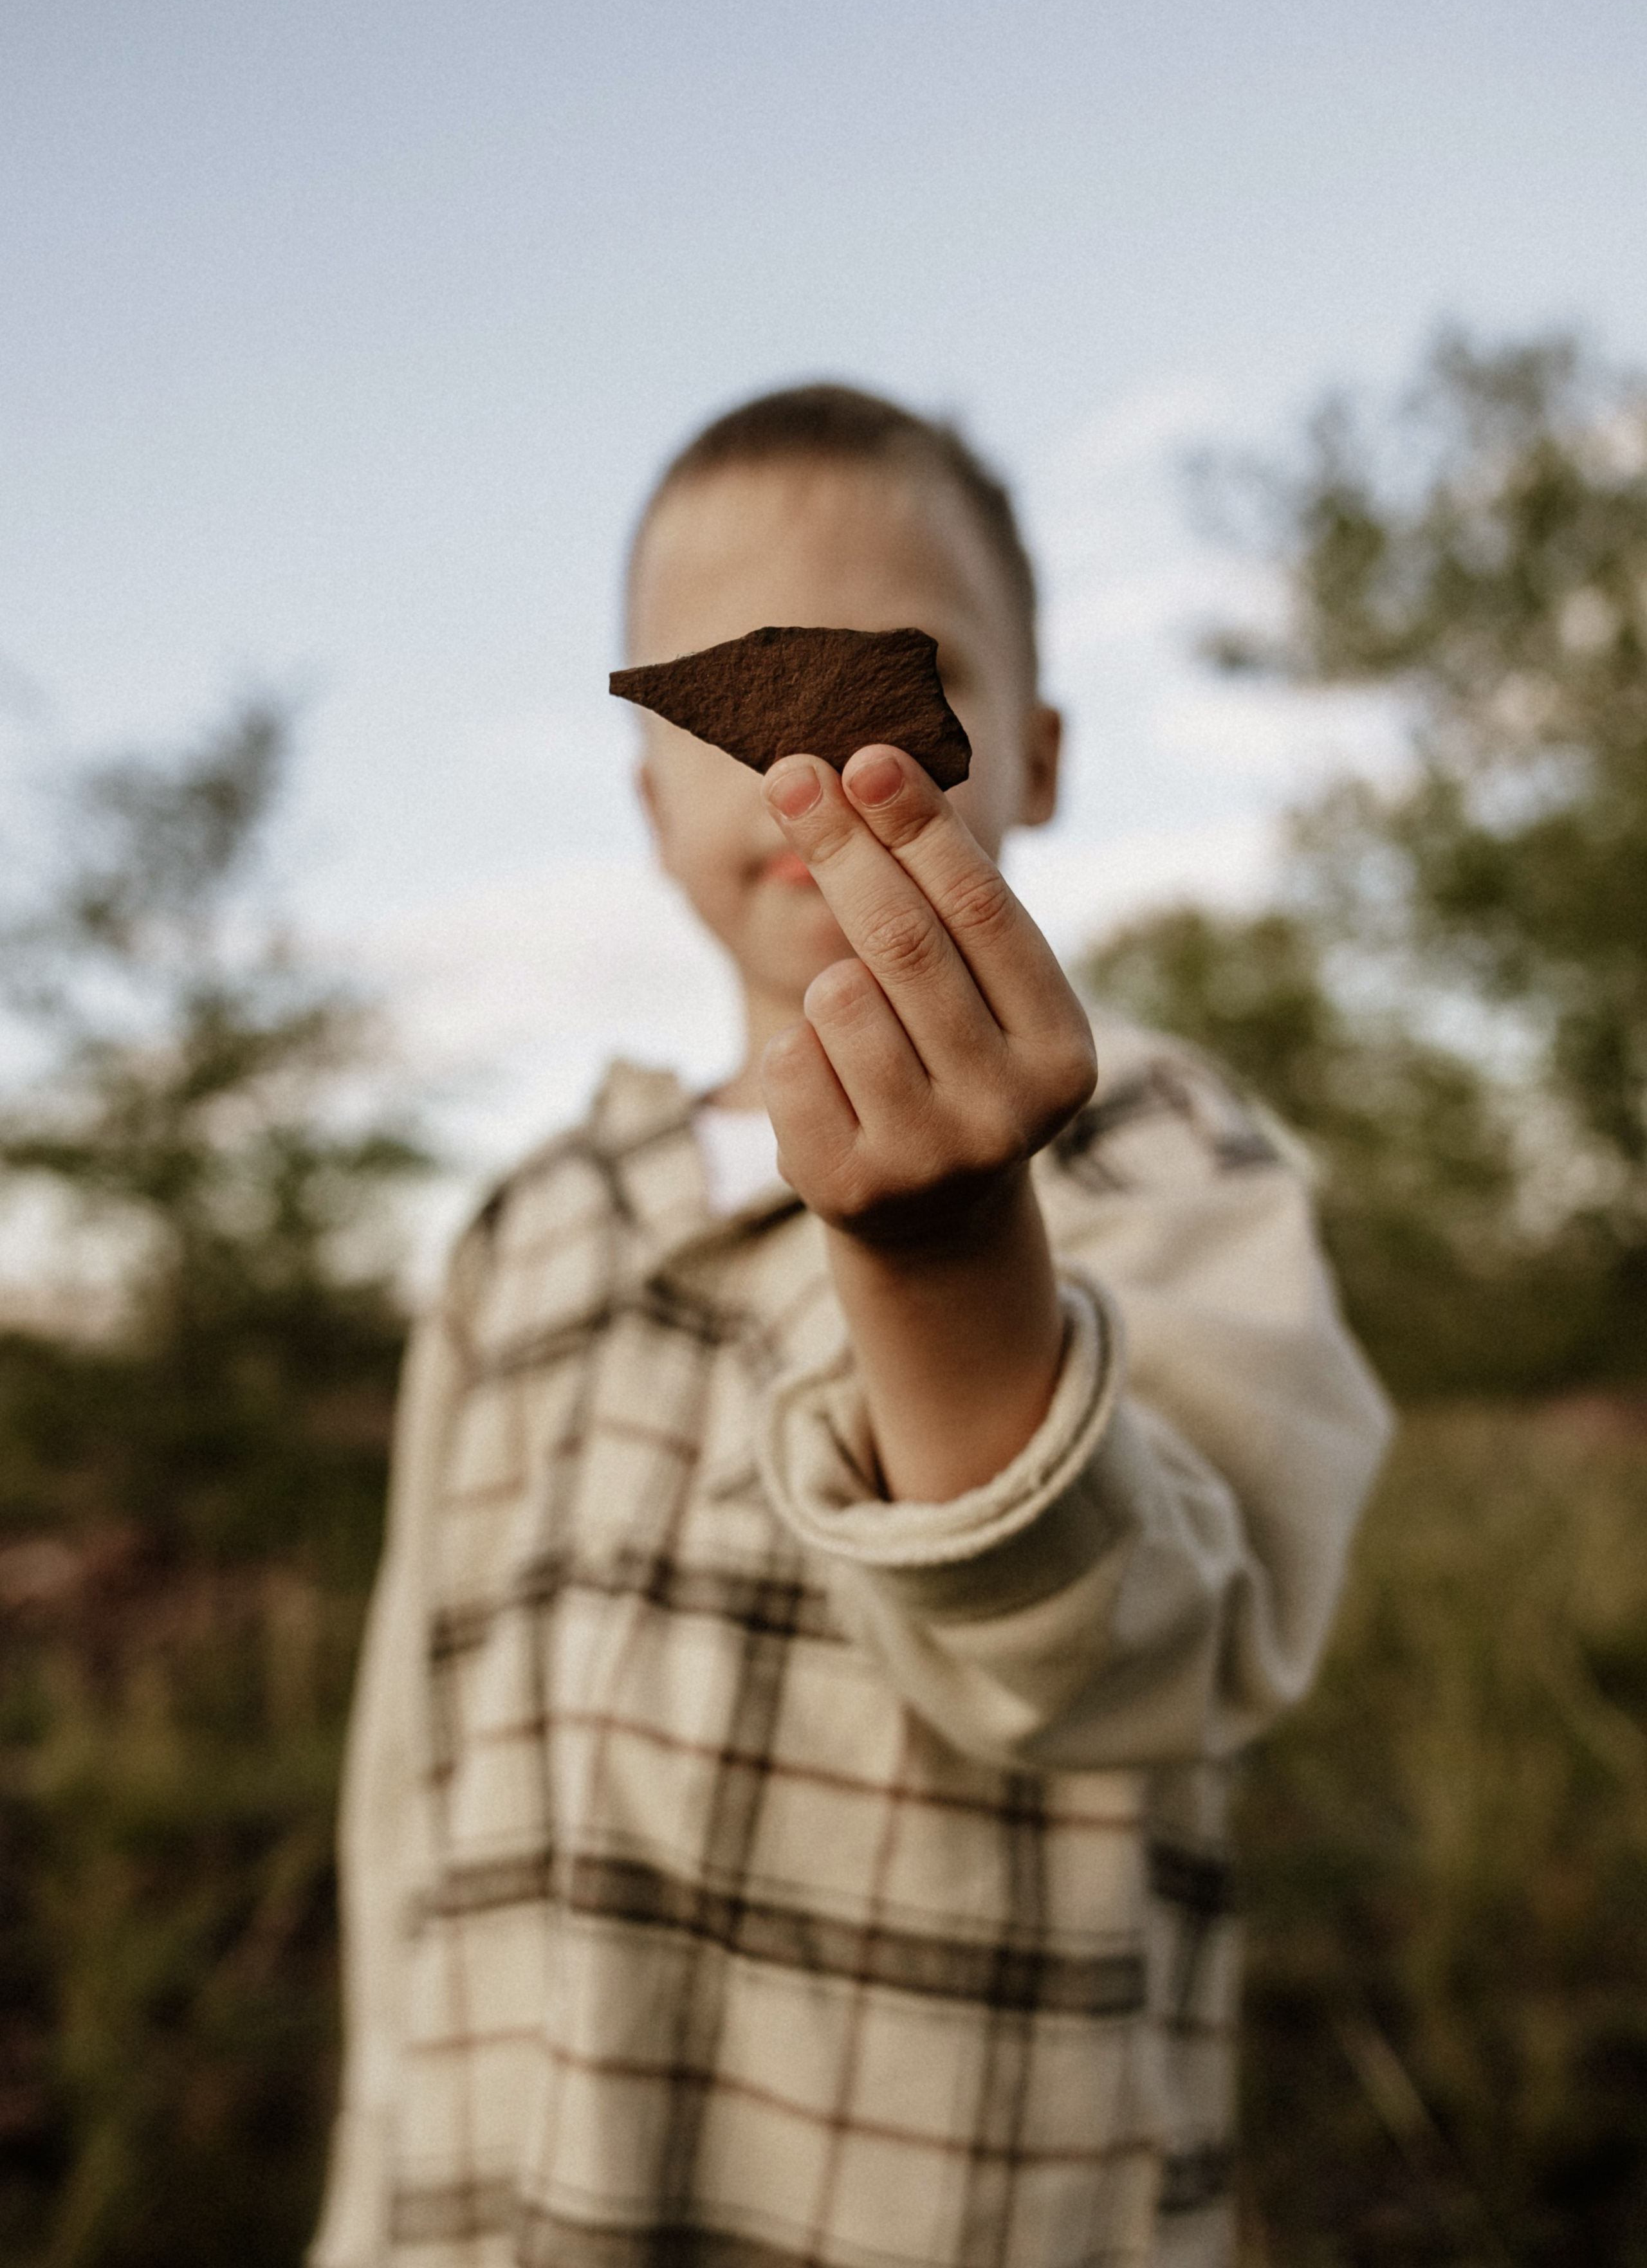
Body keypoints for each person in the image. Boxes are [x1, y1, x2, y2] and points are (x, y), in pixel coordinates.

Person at [310, 385, 1390, 2268]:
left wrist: (957, 1255)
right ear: (653, 795)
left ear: (1034, 755)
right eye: (743, 685)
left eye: (912, 672)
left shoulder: (1151, 1148)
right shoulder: (522, 1236)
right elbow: (407, 1794)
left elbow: (1161, 1653)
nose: (823, 755)